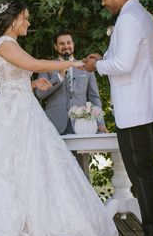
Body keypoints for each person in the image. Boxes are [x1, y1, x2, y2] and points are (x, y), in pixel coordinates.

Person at [0, 0, 140, 236]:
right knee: (10, 166)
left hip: (21, 108)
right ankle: (13, 225)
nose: (28, 22)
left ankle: (35, 220)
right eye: (26, 18)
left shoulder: (11, 45)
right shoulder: (4, 44)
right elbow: (37, 63)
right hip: (12, 114)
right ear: (15, 19)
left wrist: (30, 83)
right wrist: (73, 62)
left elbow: (14, 78)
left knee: (31, 164)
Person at [83, 0, 153, 236]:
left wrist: (97, 66)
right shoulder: (134, 15)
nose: (103, 2)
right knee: (140, 173)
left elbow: (123, 63)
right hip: (136, 108)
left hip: (138, 108)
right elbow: (120, 57)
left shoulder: (131, 19)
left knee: (143, 173)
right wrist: (101, 59)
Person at [34, 30, 107, 173]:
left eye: (68, 42)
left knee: (81, 171)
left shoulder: (87, 67)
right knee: (54, 170)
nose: (65, 46)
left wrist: (100, 122)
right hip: (54, 126)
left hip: (81, 125)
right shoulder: (46, 66)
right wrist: (59, 77)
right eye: (61, 43)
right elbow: (40, 93)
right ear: (56, 47)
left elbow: (94, 98)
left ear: (73, 45)